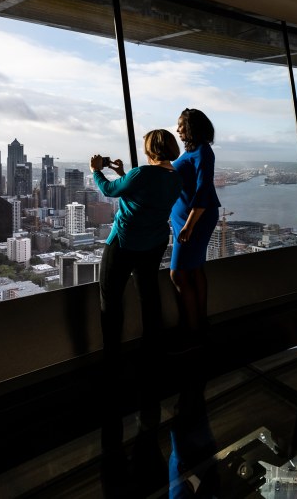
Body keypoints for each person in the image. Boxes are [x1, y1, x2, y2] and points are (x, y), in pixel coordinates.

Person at [90, 130, 184, 452]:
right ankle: (151, 355)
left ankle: (112, 362)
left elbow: (110, 190)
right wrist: (122, 172)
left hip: (125, 243)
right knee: (148, 296)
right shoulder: (176, 177)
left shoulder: (141, 174)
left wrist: (96, 170)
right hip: (155, 243)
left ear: (150, 149)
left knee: (110, 299)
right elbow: (142, 188)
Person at [171, 108, 221, 345]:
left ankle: (191, 331)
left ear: (192, 127)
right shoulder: (192, 152)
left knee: (179, 273)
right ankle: (200, 323)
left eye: (181, 125)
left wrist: (189, 225)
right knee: (195, 269)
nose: (178, 129)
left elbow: (203, 189)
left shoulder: (203, 152)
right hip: (188, 219)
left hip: (195, 219)